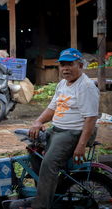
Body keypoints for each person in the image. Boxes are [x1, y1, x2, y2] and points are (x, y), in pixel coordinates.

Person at [27, 48, 100, 209]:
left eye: (70, 64)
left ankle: (41, 205)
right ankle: (52, 188)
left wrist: (81, 146)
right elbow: (52, 108)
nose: (65, 68)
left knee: (49, 163)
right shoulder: (62, 84)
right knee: (33, 150)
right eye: (62, 65)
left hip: (73, 133)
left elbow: (90, 119)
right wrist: (38, 122)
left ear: (80, 65)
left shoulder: (86, 86)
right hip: (57, 130)